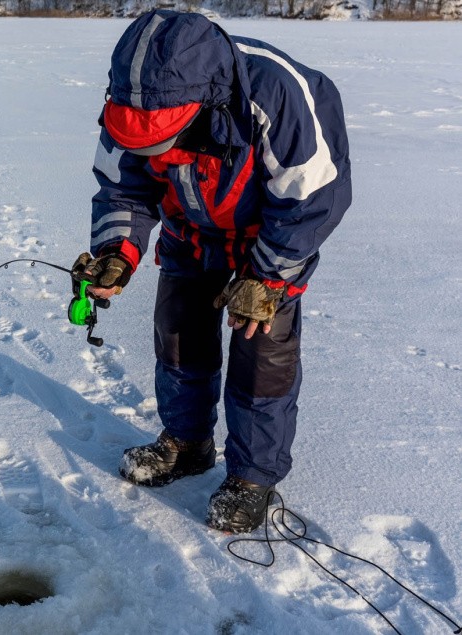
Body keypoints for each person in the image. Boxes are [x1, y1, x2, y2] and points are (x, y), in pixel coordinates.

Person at [73, 10, 351, 534]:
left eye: (165, 139)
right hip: (190, 230)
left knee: (260, 356)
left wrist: (267, 278)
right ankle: (187, 443)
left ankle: (252, 476)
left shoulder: (277, 93)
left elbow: (313, 199)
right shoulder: (129, 103)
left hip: (268, 241)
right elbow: (121, 186)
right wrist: (117, 250)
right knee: (178, 337)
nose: (159, 153)